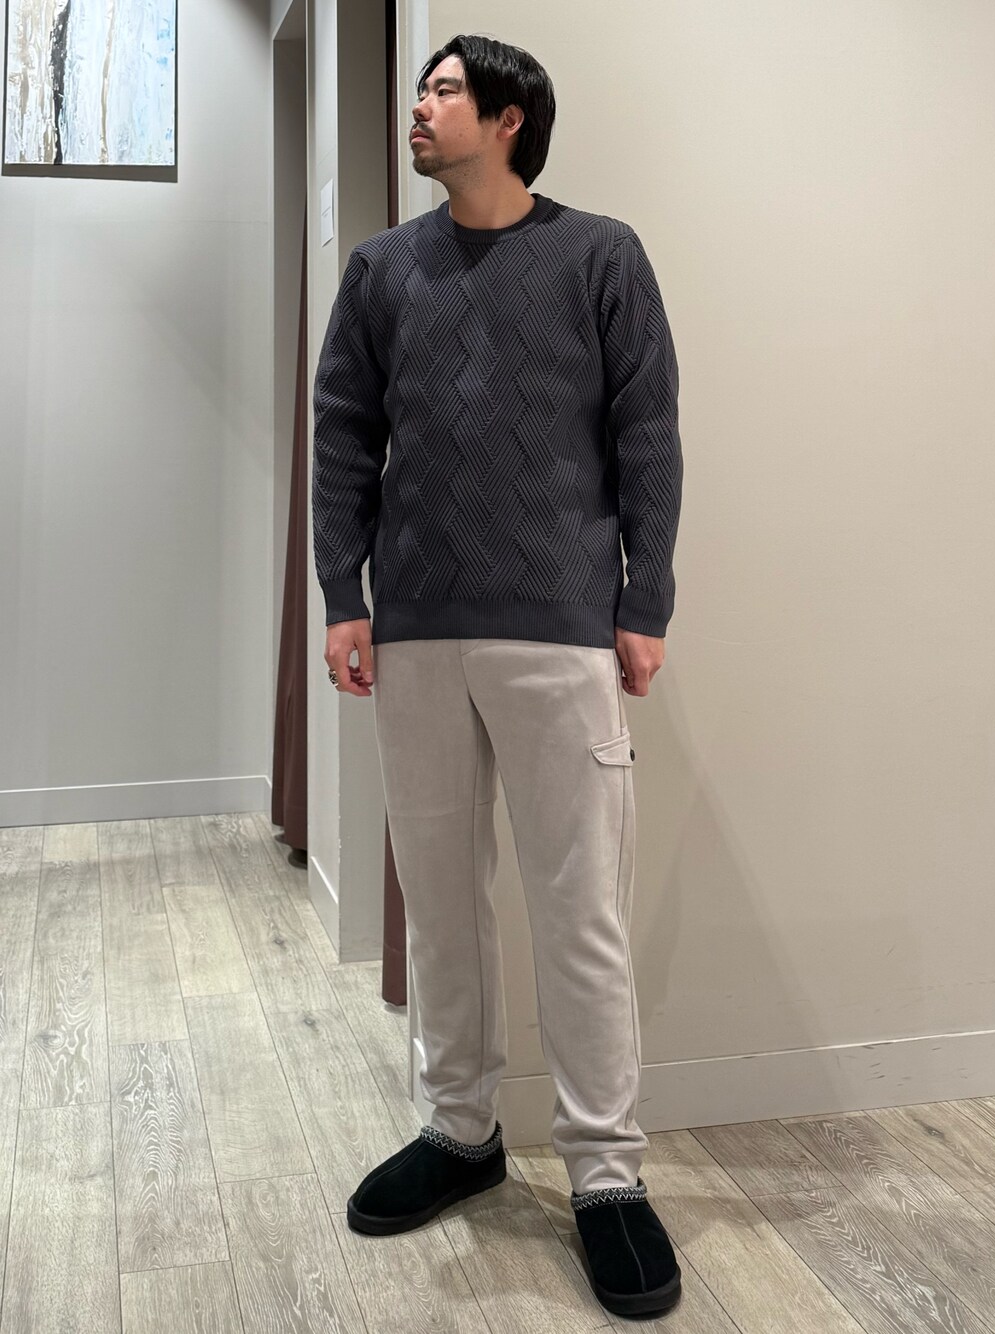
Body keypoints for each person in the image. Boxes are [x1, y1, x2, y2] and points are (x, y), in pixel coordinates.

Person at [312, 32, 683, 1321]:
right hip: (414, 625)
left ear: (511, 119)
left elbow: (647, 431)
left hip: (561, 625)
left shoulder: (600, 257)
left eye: (445, 91)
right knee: (440, 899)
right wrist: (343, 594)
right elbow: (344, 433)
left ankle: (607, 1174)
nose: (421, 108)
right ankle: (460, 1130)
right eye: (422, 89)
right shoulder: (382, 270)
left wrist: (645, 599)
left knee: (579, 906)